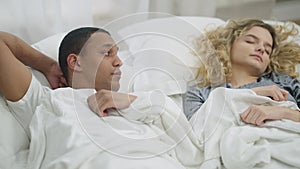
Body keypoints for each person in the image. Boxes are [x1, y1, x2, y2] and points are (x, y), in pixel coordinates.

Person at [0, 28, 202, 168]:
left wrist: (132, 101)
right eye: (107, 53)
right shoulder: (47, 101)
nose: (119, 62)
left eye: (118, 54)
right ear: (75, 62)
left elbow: (187, 147)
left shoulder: (139, 103)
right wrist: (47, 65)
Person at [183, 18, 300, 126]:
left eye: (268, 50)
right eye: (250, 41)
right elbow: (199, 128)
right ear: (228, 46)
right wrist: (253, 93)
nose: (261, 49)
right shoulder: (201, 94)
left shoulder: (285, 83)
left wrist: (283, 112)